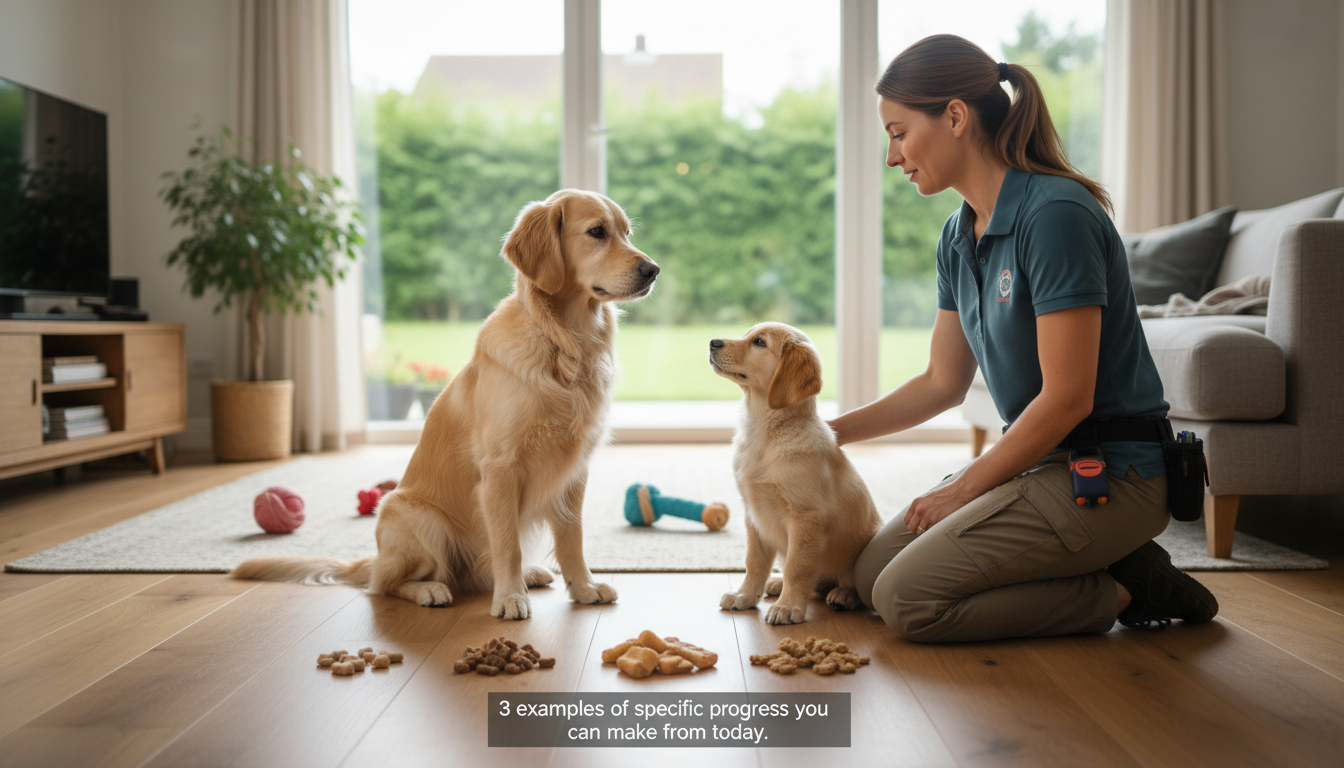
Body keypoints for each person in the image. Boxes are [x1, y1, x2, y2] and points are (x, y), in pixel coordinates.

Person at [828, 34, 1218, 642]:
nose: (891, 156)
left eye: (899, 132)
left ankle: (1128, 587)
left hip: (1115, 474)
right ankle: (1105, 559)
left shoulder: (1056, 214)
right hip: (1042, 467)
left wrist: (962, 490)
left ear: (955, 116)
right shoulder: (958, 236)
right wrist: (828, 435)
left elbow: (1068, 400)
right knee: (869, 572)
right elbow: (941, 383)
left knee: (908, 601)